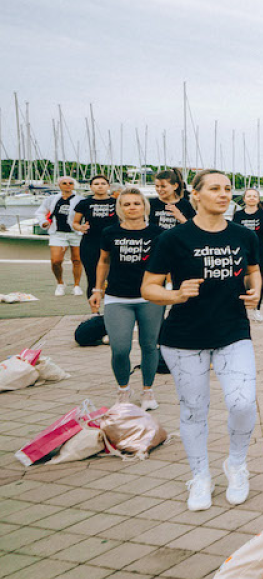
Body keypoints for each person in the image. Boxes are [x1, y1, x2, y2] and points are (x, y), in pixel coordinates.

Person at [141, 169, 261, 511]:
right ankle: (200, 476)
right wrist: (175, 294)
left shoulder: (242, 235)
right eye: (214, 189)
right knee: (194, 409)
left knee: (242, 403)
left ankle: (236, 464)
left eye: (227, 189)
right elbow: (148, 287)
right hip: (183, 336)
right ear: (196, 195)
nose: (223, 194)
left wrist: (256, 293)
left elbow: (252, 270)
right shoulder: (174, 239)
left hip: (233, 331)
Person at [90, 188, 163, 410]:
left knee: (149, 345)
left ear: (144, 207)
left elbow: (165, 265)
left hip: (150, 297)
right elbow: (103, 261)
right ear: (120, 208)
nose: (132, 207)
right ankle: (123, 390)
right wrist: (97, 290)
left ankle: (148, 391)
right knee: (120, 348)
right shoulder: (110, 232)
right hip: (117, 297)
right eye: (127, 204)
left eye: (136, 203)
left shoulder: (158, 233)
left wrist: (169, 290)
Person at [71, 175, 117, 309]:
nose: (100, 186)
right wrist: (80, 227)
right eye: (96, 184)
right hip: (90, 243)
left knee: (114, 277)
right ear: (91, 187)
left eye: (103, 183)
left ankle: (112, 309)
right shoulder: (84, 203)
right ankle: (94, 311)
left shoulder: (116, 202)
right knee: (92, 278)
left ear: (108, 186)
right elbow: (75, 223)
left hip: (112, 243)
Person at [35, 176, 85, 296]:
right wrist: (43, 222)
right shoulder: (52, 199)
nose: (68, 185)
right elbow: (40, 212)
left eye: (70, 183)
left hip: (76, 233)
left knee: (77, 260)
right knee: (56, 260)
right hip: (57, 233)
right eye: (64, 183)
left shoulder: (80, 200)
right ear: (59, 185)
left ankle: (77, 285)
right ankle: (60, 283)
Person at [232, 188, 263, 321]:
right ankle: (241, 308)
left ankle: (257, 309)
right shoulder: (238, 215)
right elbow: (233, 233)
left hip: (260, 251)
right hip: (242, 252)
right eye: (249, 196)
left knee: (258, 281)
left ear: (258, 199)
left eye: (254, 196)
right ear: (244, 199)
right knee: (240, 280)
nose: (251, 198)